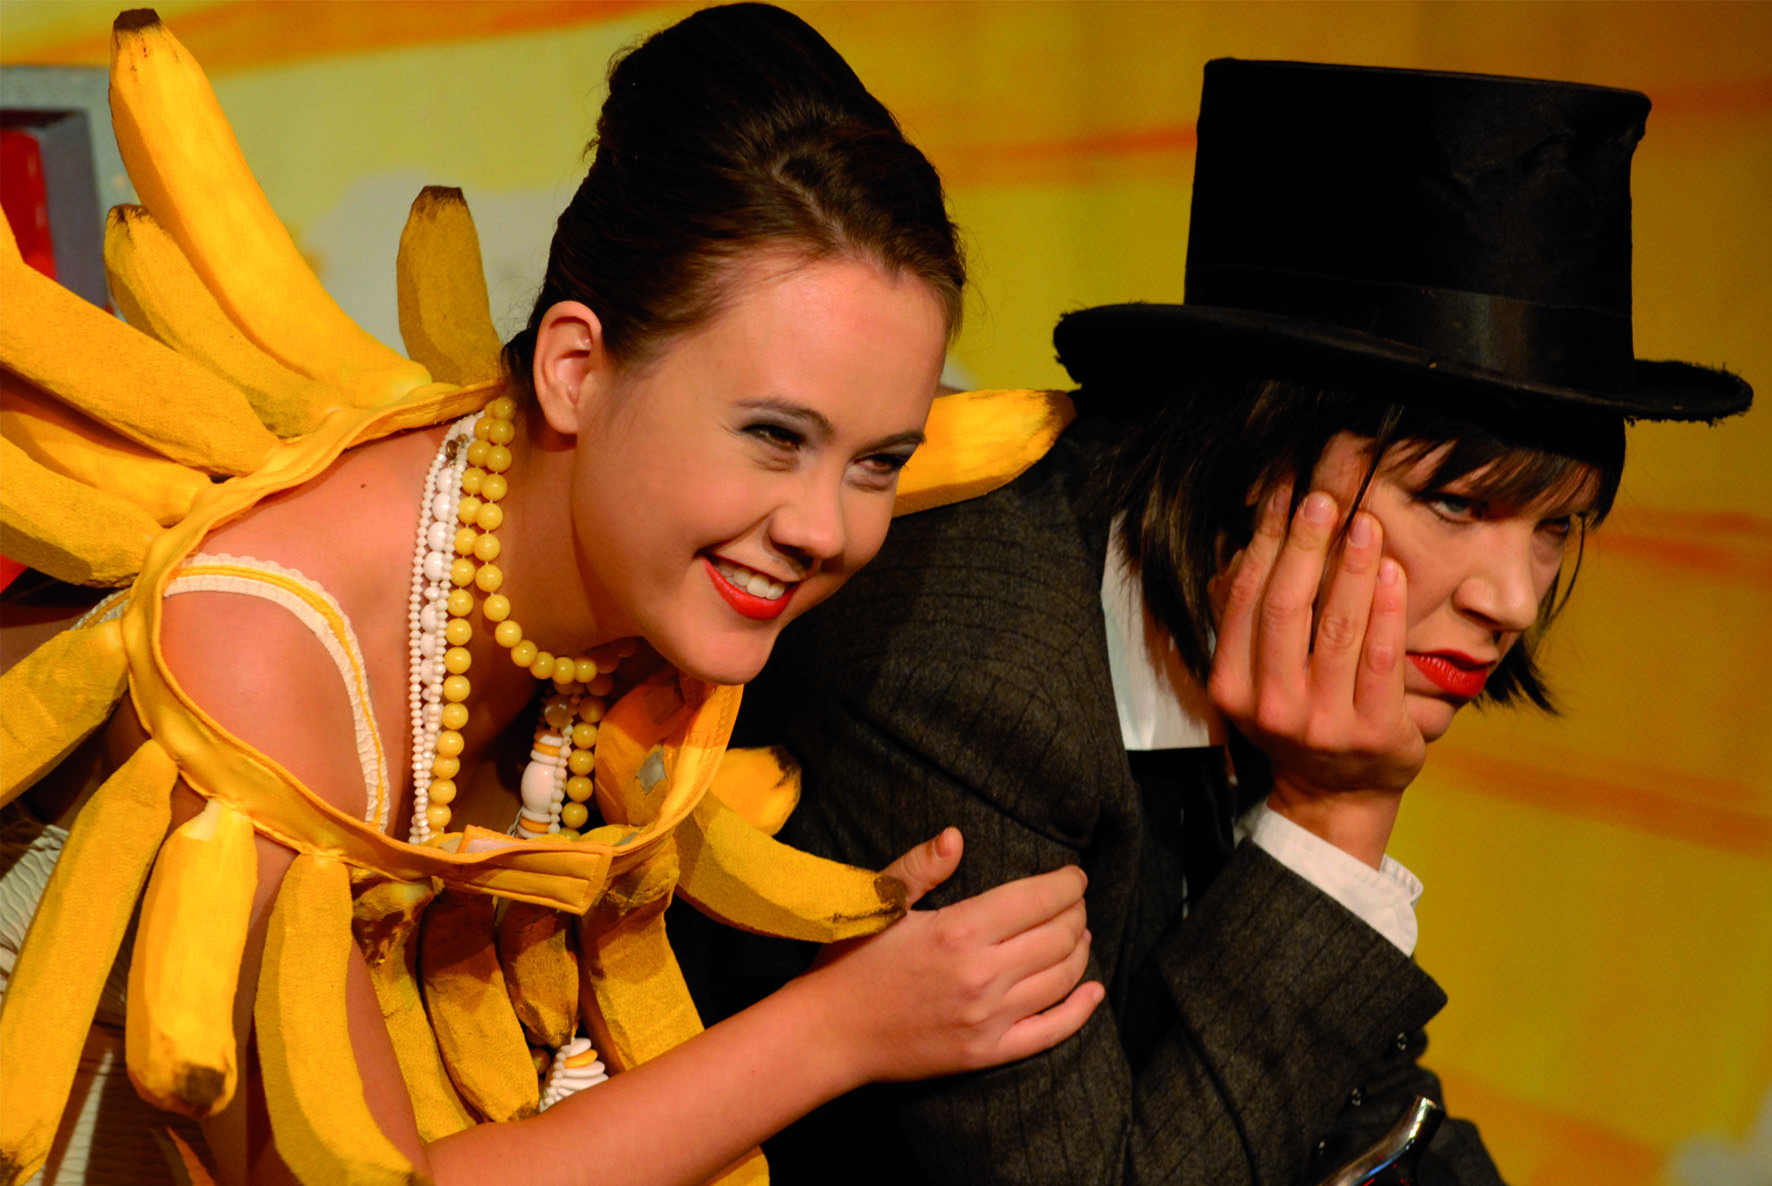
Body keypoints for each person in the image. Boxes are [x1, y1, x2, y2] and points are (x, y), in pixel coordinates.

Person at [0, 5, 1101, 1185]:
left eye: (876, 461)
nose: (823, 529)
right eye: (774, 437)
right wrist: (838, 1029)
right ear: (574, 370)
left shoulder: (628, 609)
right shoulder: (259, 649)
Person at [692, 59, 1755, 1184]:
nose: (1514, 598)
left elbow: (1367, 1124)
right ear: (1259, 446)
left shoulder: (1262, 621)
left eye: (1555, 526)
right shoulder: (971, 668)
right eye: (1452, 500)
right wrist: (1334, 821)